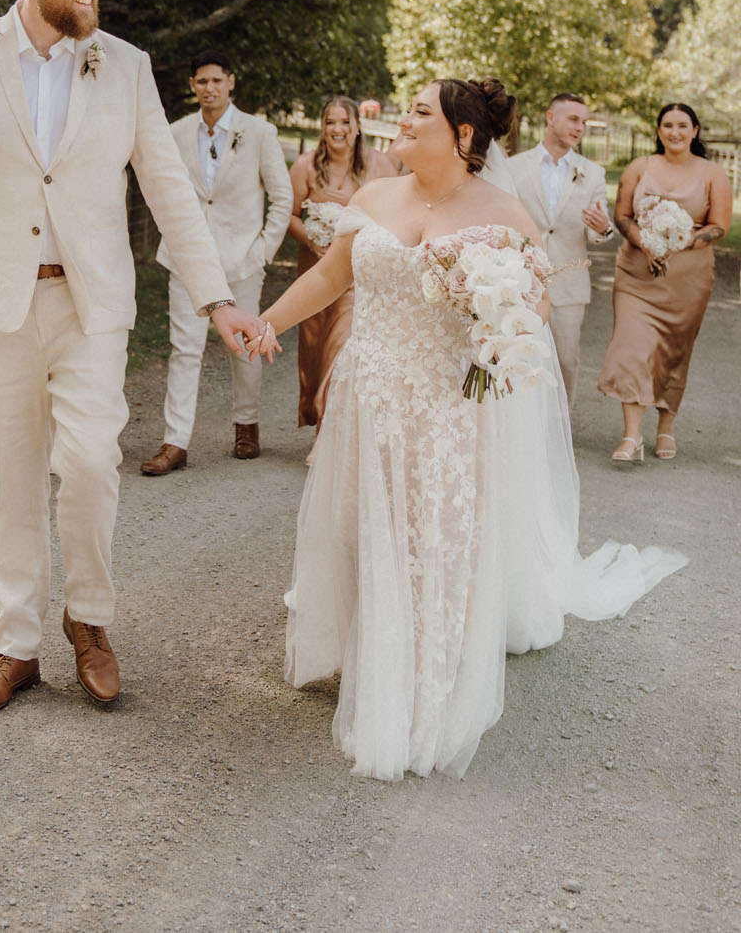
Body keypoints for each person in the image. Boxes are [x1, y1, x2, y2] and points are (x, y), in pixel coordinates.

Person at [247, 77, 687, 780]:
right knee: (357, 522)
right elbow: (333, 277)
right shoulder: (373, 197)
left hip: (451, 401)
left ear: (461, 135)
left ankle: (426, 675)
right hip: (373, 392)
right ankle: (369, 649)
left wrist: (500, 318)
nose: (402, 121)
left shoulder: (502, 212)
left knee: (435, 535)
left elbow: (535, 306)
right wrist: (268, 321)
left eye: (420, 113)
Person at [0, 0, 261, 717]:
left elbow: (167, 187)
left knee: (91, 464)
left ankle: (89, 619)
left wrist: (219, 298)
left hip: (92, 303)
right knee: (15, 479)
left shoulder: (125, 65)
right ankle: (16, 646)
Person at [141, 51, 292, 474]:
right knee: (184, 349)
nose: (209, 88)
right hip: (186, 260)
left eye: (216, 81)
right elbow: (163, 191)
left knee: (247, 346)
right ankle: (175, 442)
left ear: (231, 82)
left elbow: (282, 197)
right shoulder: (174, 133)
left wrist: (262, 251)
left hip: (242, 259)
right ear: (193, 86)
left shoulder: (258, 132)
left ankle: (246, 425)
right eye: (201, 81)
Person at [599, 102, 732, 463]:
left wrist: (677, 242)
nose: (675, 131)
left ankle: (666, 427)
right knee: (631, 345)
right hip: (636, 275)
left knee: (673, 353)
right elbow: (622, 215)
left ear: (695, 131)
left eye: (682, 125)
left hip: (687, 280)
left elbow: (719, 226)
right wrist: (646, 242)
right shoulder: (640, 168)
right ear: (658, 131)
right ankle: (631, 437)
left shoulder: (712, 173)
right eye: (667, 125)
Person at [286, 96, 396, 453]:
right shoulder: (305, 166)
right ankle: (318, 416)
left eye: (344, 122)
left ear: (357, 127)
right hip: (314, 268)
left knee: (342, 346)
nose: (338, 130)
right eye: (331, 123)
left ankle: (327, 439)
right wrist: (315, 239)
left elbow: (396, 214)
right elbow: (289, 216)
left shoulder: (378, 166)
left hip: (355, 276)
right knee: (315, 349)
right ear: (323, 127)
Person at [508, 93, 613, 404]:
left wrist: (602, 229)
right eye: (573, 119)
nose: (580, 127)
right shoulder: (514, 167)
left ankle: (562, 427)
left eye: (583, 122)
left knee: (565, 361)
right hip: (519, 282)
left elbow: (599, 234)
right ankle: (521, 425)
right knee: (517, 356)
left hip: (569, 284)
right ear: (550, 118)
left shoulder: (593, 173)